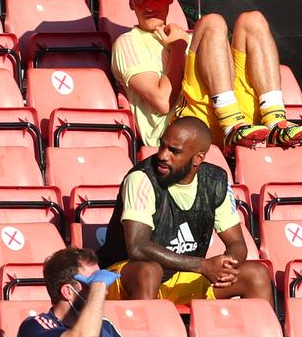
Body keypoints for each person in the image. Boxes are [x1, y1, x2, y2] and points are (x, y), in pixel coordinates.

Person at [97, 117, 273, 306]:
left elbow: (238, 243)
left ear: (198, 158)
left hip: (183, 275)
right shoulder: (141, 178)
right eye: (162, 146)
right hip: (127, 276)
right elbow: (137, 247)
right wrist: (202, 266)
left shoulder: (215, 181)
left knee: (256, 274)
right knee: (149, 271)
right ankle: (147, 334)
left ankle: (266, 335)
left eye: (174, 151)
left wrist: (227, 265)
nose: (163, 155)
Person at [111, 0, 302, 149]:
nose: (149, 5)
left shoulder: (187, 37)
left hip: (223, 114)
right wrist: (178, 48)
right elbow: (162, 102)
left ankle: (276, 121)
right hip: (182, 128)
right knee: (212, 22)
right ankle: (231, 124)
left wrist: (183, 42)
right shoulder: (127, 42)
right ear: (130, 3)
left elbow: (227, 76)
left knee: (253, 19)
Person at [16, 247, 129, 337]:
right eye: (93, 282)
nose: (104, 291)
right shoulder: (34, 327)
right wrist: (98, 286)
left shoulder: (105, 326)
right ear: (68, 292)